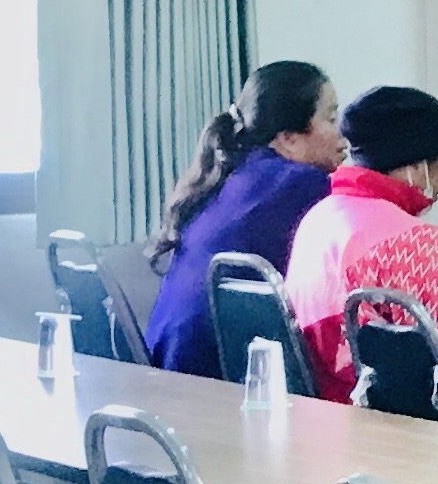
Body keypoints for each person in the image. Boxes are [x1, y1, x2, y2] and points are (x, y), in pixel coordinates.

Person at [283, 88, 438, 402]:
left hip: (323, 404)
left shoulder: (319, 218)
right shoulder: (416, 241)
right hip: (384, 417)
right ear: (417, 165)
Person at [141, 62, 342, 374]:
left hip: (164, 361)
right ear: (288, 138)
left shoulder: (227, 176)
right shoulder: (303, 183)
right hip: (214, 374)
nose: (342, 136)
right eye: (330, 118)